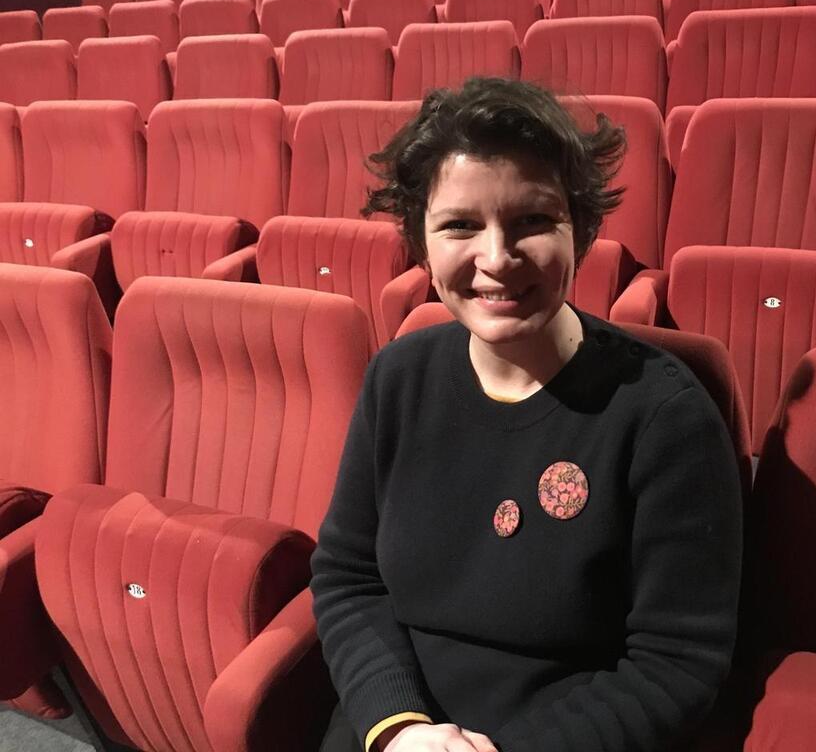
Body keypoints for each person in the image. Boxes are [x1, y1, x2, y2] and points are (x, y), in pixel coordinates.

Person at [310, 77, 743, 752]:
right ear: (422, 243)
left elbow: (676, 664)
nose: (496, 259)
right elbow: (348, 576)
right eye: (459, 225)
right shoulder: (397, 377)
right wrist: (397, 727)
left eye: (532, 221)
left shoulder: (664, 416)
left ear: (583, 229)